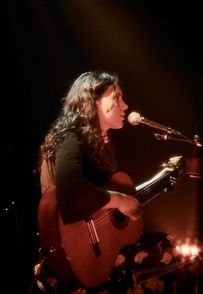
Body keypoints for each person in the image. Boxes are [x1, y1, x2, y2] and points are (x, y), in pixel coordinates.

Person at [34, 71, 177, 294]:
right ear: (93, 102)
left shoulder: (99, 143)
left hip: (92, 257)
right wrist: (119, 201)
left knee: (167, 245)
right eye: (116, 97)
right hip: (69, 259)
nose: (125, 105)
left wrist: (160, 183)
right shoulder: (71, 137)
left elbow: (106, 208)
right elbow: (72, 193)